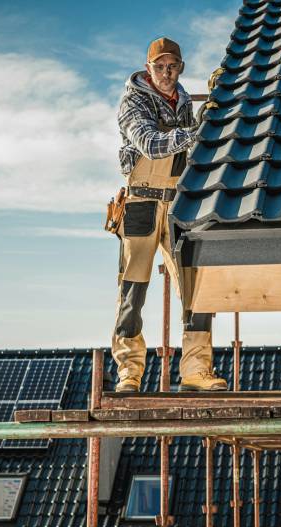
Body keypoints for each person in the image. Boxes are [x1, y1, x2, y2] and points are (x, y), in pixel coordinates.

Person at [112, 36, 227, 393]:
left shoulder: (183, 104)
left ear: (180, 68)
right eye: (159, 67)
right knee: (134, 291)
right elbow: (150, 143)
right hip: (142, 202)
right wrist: (196, 131)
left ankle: (195, 369)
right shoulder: (133, 102)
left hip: (177, 202)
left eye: (172, 66)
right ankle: (128, 372)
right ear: (149, 69)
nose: (166, 72)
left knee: (196, 284)